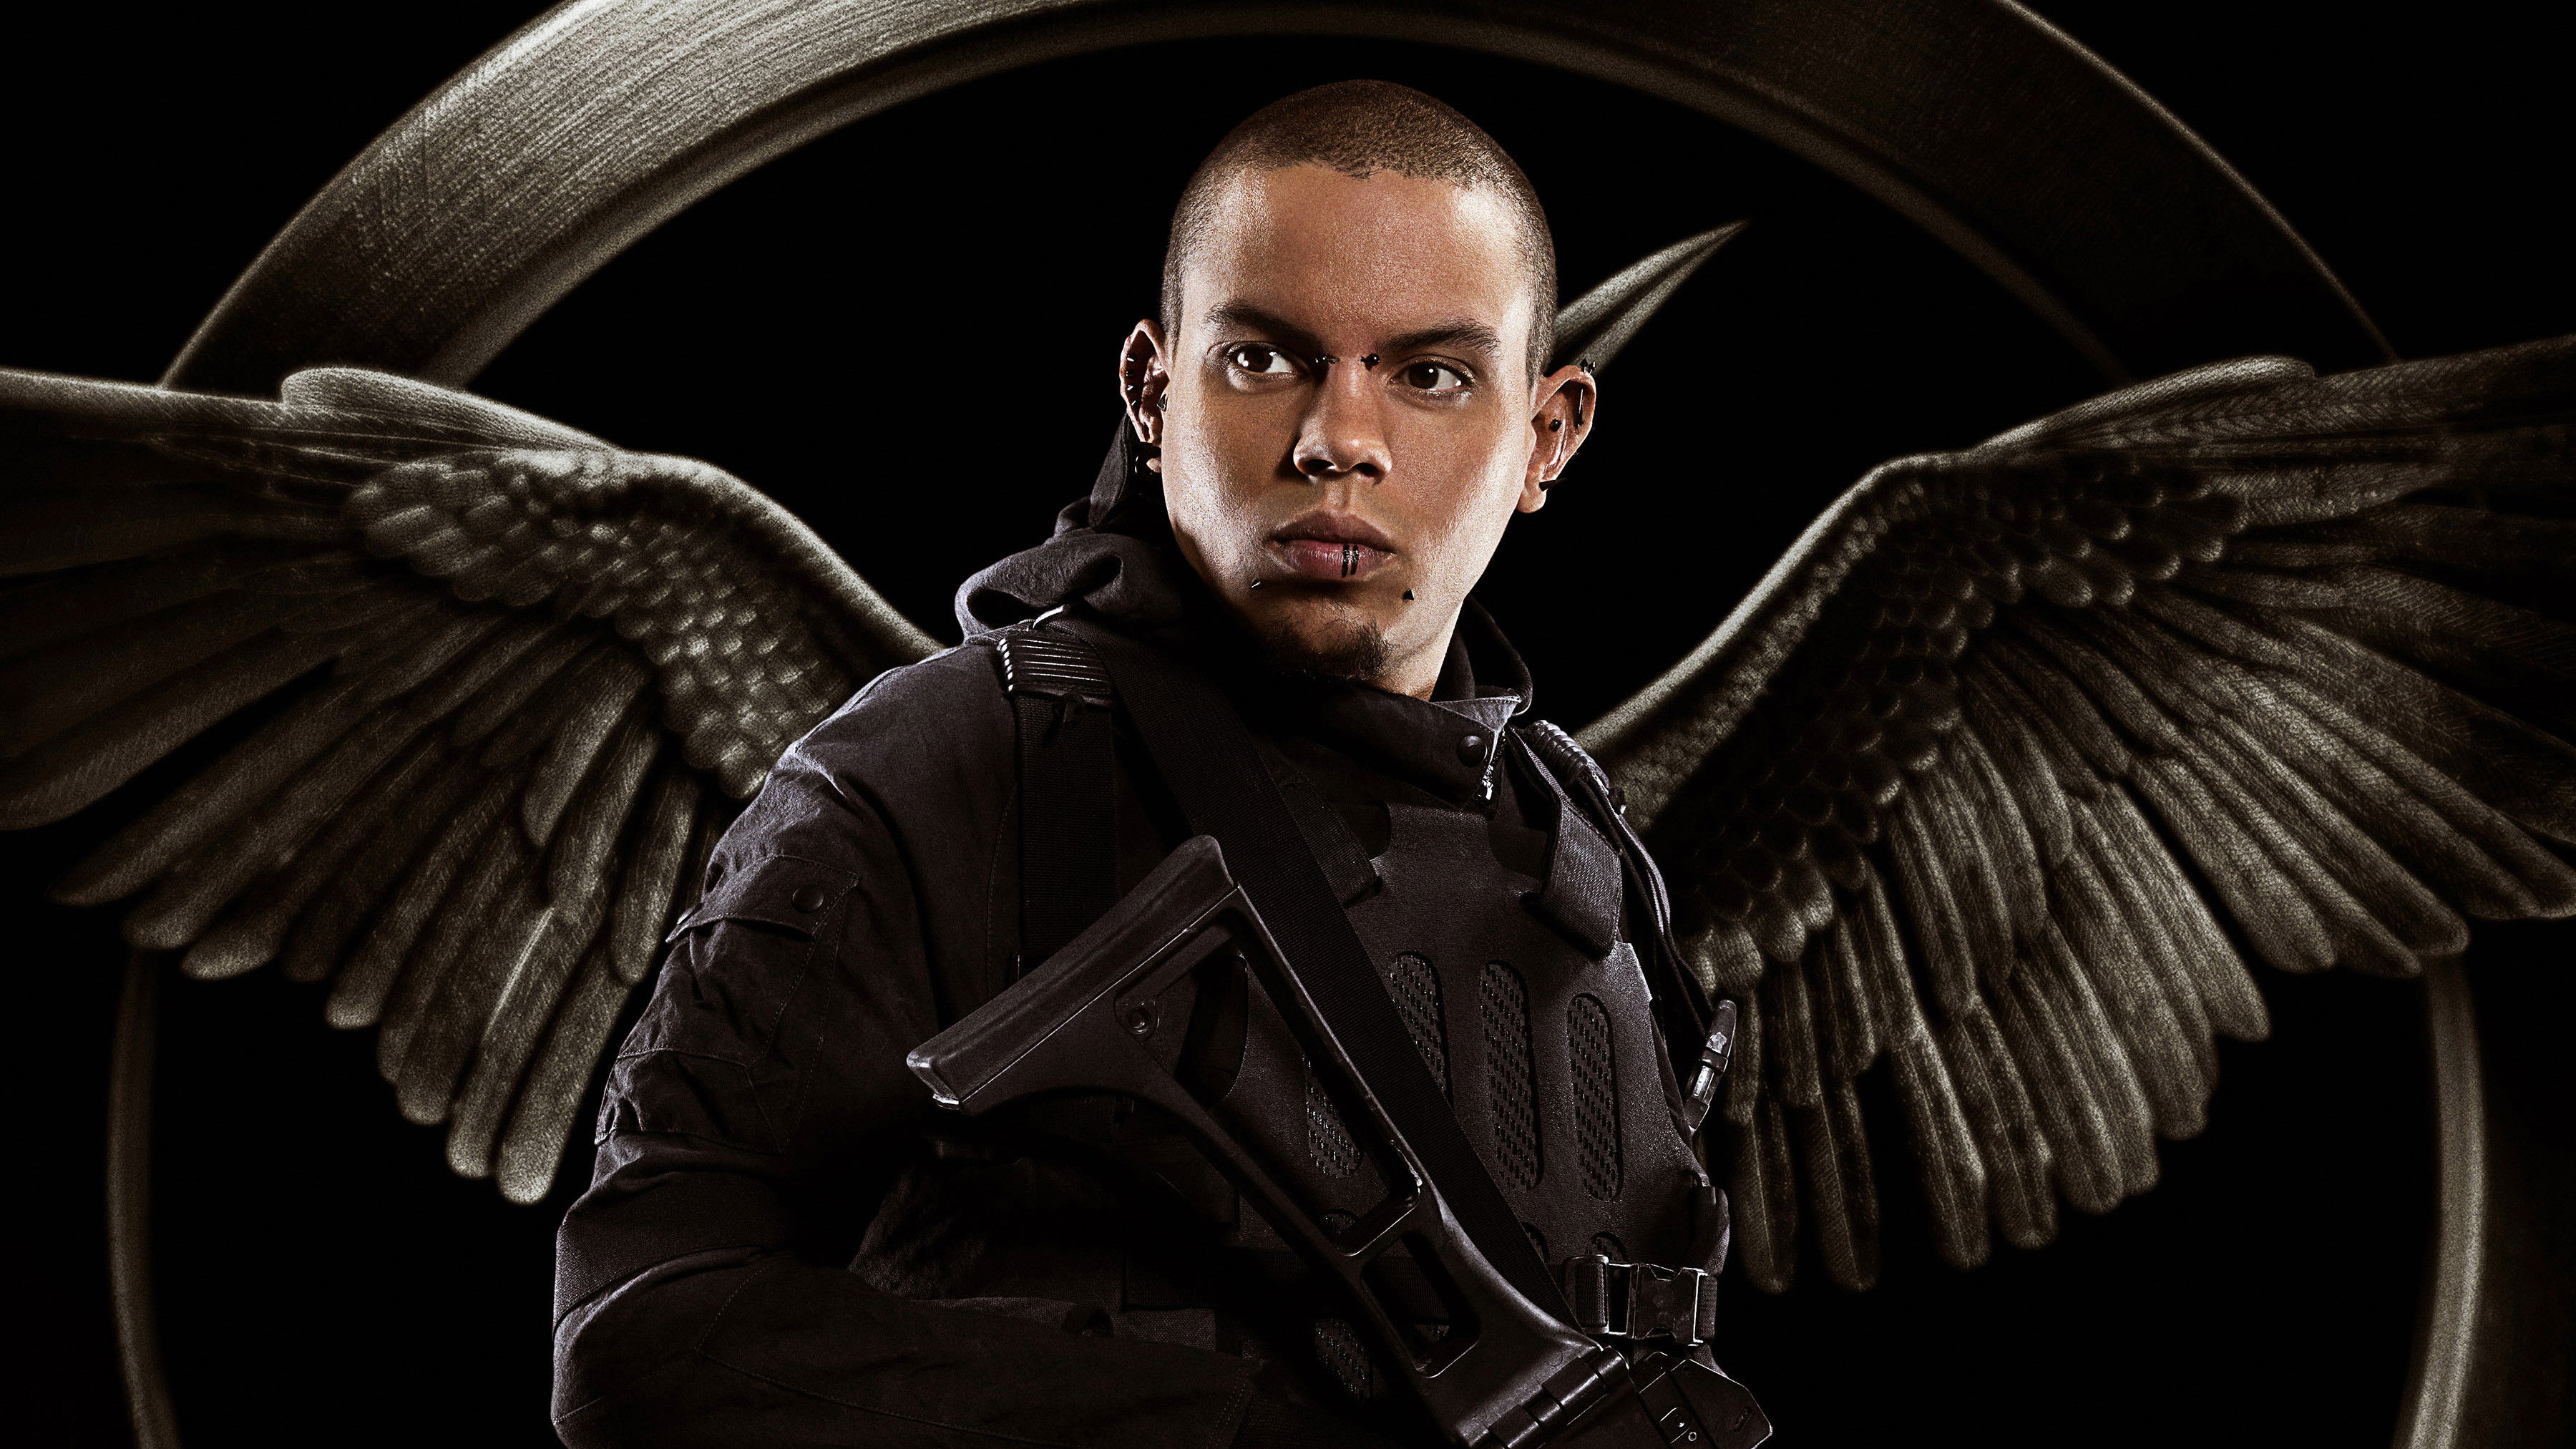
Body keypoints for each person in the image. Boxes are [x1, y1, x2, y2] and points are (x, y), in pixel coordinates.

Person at [551, 79, 1736, 1449]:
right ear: (1151, 390)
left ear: (1547, 436)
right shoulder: (948, 770)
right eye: (1264, 359)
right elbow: (641, 1335)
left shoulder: (1585, 845)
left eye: (1430, 376)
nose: (1339, 441)